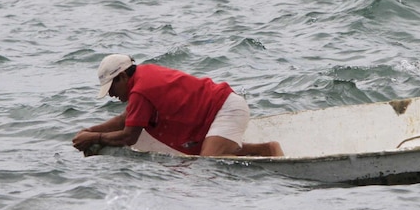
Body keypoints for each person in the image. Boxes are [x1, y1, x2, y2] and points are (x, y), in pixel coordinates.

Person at [71, 54, 283, 157]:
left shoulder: (140, 90)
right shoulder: (142, 78)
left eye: (111, 88)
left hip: (225, 108)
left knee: (208, 166)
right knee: (210, 156)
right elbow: (124, 119)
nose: (110, 94)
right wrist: (89, 130)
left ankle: (270, 149)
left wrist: (95, 138)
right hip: (221, 108)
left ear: (123, 77)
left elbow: (129, 135)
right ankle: (267, 150)